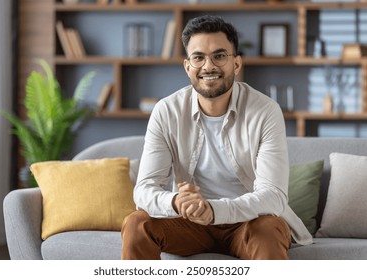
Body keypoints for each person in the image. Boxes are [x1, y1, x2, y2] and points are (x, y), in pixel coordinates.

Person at [121, 15, 312, 260]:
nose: (208, 66)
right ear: (187, 66)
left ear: (237, 63)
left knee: (267, 229)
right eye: (198, 57)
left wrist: (214, 210)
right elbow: (144, 190)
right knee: (137, 224)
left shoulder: (265, 111)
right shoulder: (166, 111)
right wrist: (177, 202)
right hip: (189, 224)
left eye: (219, 56)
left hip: (248, 223)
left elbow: (273, 196)